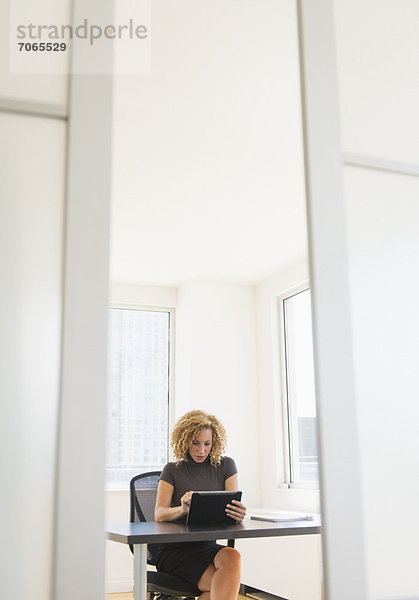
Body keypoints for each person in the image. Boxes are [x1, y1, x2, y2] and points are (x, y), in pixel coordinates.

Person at [155, 409, 247, 600]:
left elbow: (232, 505)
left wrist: (238, 514)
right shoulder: (172, 470)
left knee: (232, 557)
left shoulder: (226, 466)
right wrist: (182, 509)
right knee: (223, 586)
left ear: (214, 443)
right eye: (195, 443)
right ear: (184, 440)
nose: (201, 450)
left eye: (207, 444)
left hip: (206, 546)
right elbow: (159, 514)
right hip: (174, 550)